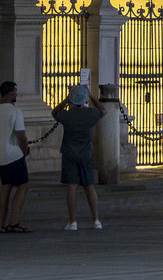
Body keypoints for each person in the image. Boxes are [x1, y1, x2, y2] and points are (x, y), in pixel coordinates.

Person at [56, 84, 105, 231]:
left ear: (72, 100)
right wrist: (90, 95)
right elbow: (103, 110)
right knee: (89, 187)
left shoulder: (66, 115)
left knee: (71, 187)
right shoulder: (91, 114)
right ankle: (96, 220)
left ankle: (72, 222)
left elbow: (55, 112)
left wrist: (67, 99)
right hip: (86, 154)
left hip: (69, 154)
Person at [0, 80, 31, 233]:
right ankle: (14, 222)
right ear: (10, 93)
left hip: (0, 155)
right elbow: (21, 136)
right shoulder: (15, 112)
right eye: (15, 91)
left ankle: (3, 224)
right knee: (23, 186)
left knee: (6, 187)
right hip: (14, 154)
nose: (17, 94)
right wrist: (25, 150)